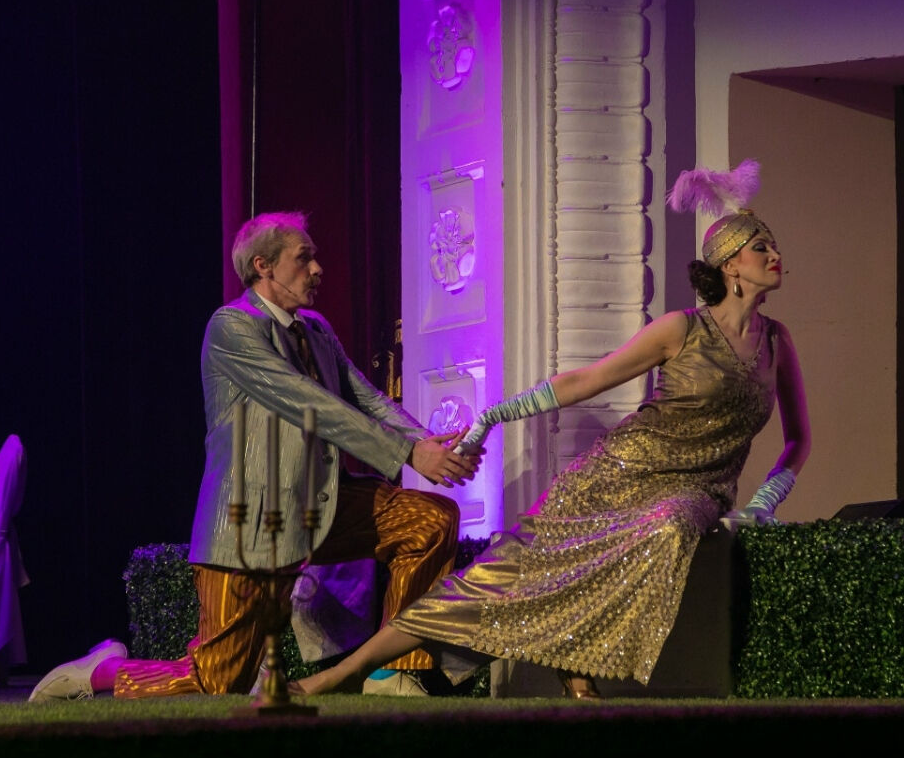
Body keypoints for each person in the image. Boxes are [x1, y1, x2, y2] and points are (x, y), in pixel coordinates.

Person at [290, 159, 811, 699]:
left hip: (694, 490)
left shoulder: (777, 342)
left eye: (773, 246)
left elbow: (799, 440)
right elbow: (587, 380)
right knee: (489, 581)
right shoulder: (681, 328)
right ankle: (345, 673)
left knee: (669, 525)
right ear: (729, 265)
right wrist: (494, 414)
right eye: (761, 247)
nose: (775, 255)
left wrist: (763, 503)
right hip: (616, 472)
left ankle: (573, 656)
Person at [29, 211, 481, 702]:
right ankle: (101, 671)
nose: (317, 269)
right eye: (303, 258)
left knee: (429, 521)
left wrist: (429, 442)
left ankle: (392, 672)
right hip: (253, 523)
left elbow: (364, 397)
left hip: (322, 506)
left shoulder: (316, 329)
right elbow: (308, 402)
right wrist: (408, 452)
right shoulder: (232, 327)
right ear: (263, 266)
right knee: (217, 683)